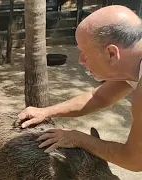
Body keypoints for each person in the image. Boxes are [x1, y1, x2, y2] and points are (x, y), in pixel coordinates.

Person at [18, 5, 142, 172]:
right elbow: (99, 98)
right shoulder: (132, 64)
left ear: (112, 53)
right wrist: (46, 112)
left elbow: (134, 160)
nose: (81, 61)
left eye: (86, 53)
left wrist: (77, 138)